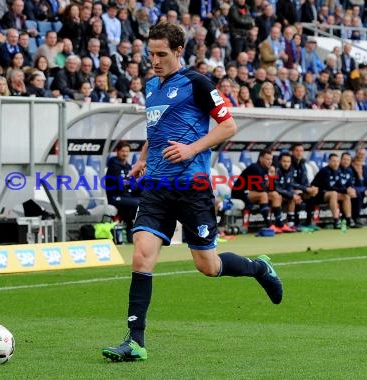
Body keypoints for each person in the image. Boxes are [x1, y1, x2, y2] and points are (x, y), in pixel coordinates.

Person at [102, 22, 283, 363]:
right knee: (141, 256)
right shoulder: (152, 86)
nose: (154, 61)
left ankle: (259, 268)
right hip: (156, 185)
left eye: (161, 54)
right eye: (150, 54)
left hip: (192, 187)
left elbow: (229, 126)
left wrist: (190, 149)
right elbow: (156, 129)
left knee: (208, 265)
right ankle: (135, 341)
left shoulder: (198, 84)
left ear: (179, 51)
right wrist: (142, 159)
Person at [105, 141, 141, 243]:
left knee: (144, 200)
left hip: (127, 197)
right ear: (117, 151)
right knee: (136, 203)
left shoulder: (129, 167)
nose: (125, 154)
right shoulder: (113, 166)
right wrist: (132, 183)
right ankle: (134, 229)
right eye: (122, 151)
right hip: (115, 197)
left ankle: (134, 232)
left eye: (127, 151)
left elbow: (131, 184)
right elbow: (120, 184)